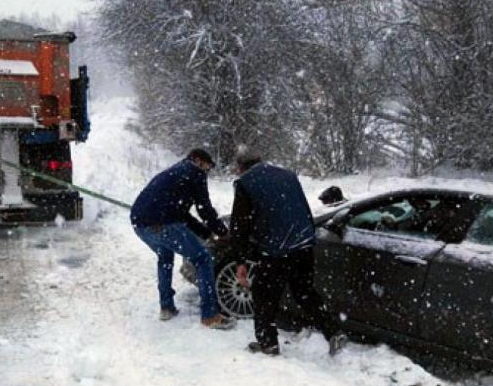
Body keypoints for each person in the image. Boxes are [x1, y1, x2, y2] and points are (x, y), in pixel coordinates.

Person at [230, 148, 347, 356]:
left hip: (276, 250)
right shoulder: (288, 175)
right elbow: (301, 208)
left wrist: (241, 261)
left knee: (264, 296)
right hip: (303, 244)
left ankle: (268, 344)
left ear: (240, 167)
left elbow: (240, 226)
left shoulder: (245, 183)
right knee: (304, 292)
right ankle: (334, 331)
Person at [131, 148, 234, 329]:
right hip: (162, 223)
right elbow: (204, 209)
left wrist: (206, 232)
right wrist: (223, 232)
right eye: (208, 167)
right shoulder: (195, 173)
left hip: (140, 224)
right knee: (202, 258)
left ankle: (167, 307)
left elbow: (181, 213)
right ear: (199, 160)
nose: (207, 172)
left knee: (165, 257)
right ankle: (210, 315)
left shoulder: (175, 171)